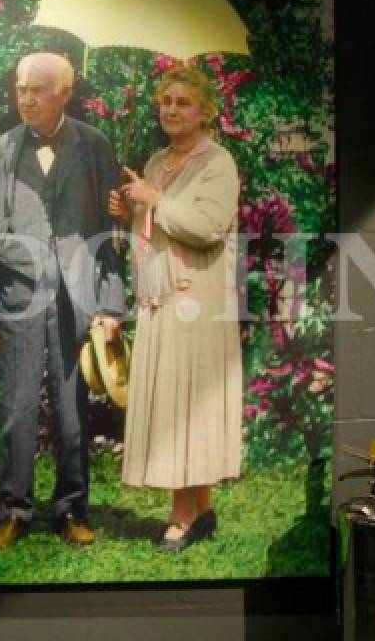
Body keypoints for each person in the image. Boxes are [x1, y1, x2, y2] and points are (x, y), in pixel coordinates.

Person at [0, 52, 124, 550]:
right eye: (20, 89)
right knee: (17, 406)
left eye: (37, 90)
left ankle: (71, 509)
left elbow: (111, 233)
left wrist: (111, 304)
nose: (26, 99)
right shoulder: (2, 150)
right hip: (18, 292)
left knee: (73, 410)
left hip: (78, 297)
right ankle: (14, 510)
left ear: (65, 94)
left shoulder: (95, 145)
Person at [107, 64, 242, 552]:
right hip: (161, 295)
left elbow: (206, 226)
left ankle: (181, 516)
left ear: (205, 111)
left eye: (183, 102)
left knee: (186, 406)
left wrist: (155, 199)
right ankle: (201, 509)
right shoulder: (157, 160)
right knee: (173, 402)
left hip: (198, 301)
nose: (171, 110)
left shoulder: (217, 163)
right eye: (165, 101)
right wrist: (130, 213)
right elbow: (154, 229)